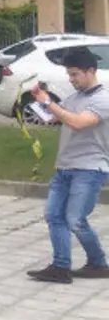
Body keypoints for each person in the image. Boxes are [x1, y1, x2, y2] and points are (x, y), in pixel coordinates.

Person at [27, 46, 109, 283]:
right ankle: (61, 267)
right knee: (53, 215)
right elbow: (55, 117)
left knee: (75, 219)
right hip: (64, 168)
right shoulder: (73, 98)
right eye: (69, 74)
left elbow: (79, 123)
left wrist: (50, 104)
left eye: (75, 74)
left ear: (90, 71)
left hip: (89, 169)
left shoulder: (103, 99)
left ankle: (99, 263)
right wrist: (41, 102)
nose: (70, 79)